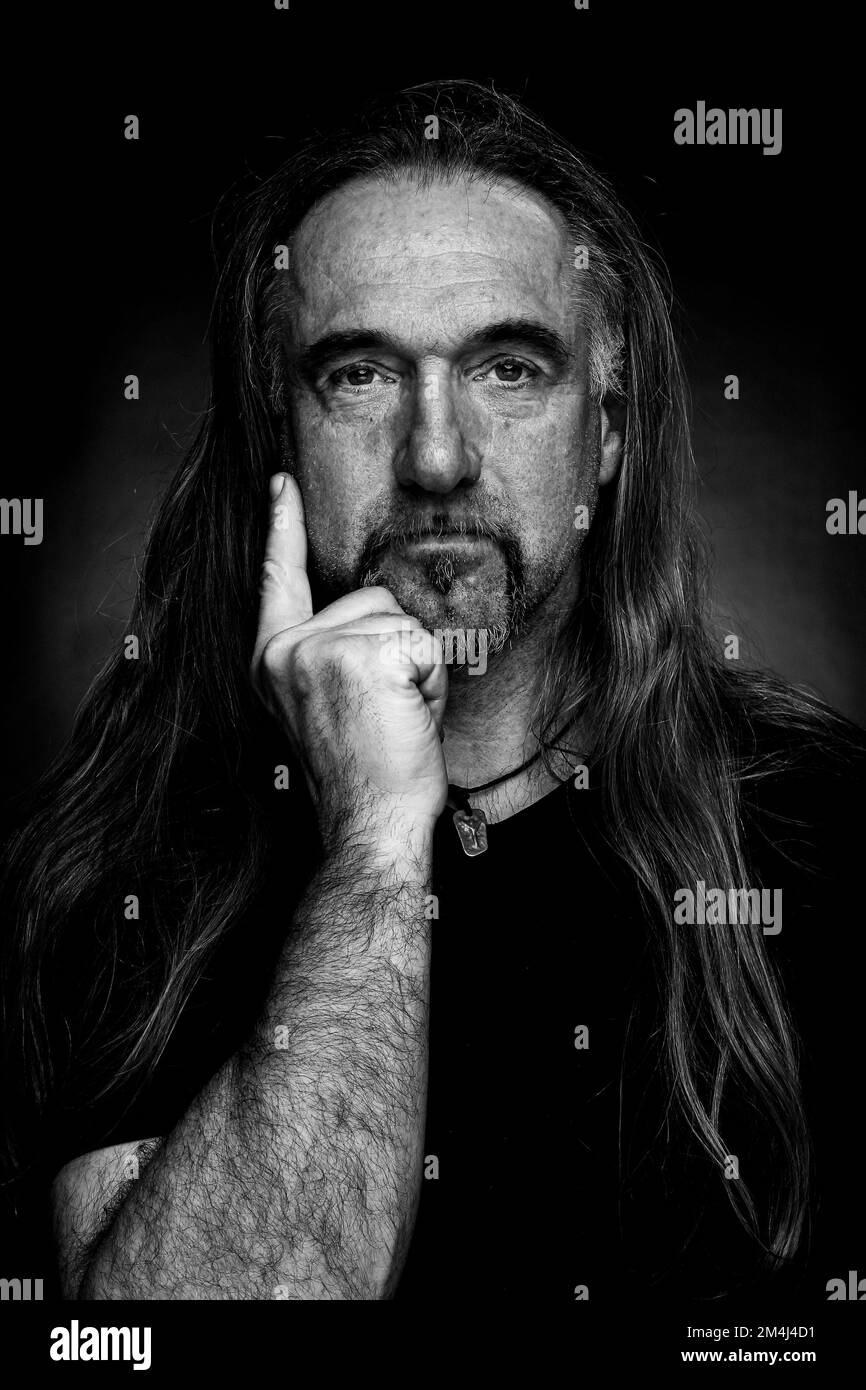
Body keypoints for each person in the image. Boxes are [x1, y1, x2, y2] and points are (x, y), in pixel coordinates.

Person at [1, 79, 862, 1303]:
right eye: (357, 375)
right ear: (278, 433)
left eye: (508, 368)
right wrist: (374, 844)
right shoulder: (111, 882)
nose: (438, 455)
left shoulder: (823, 841)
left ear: (605, 431)